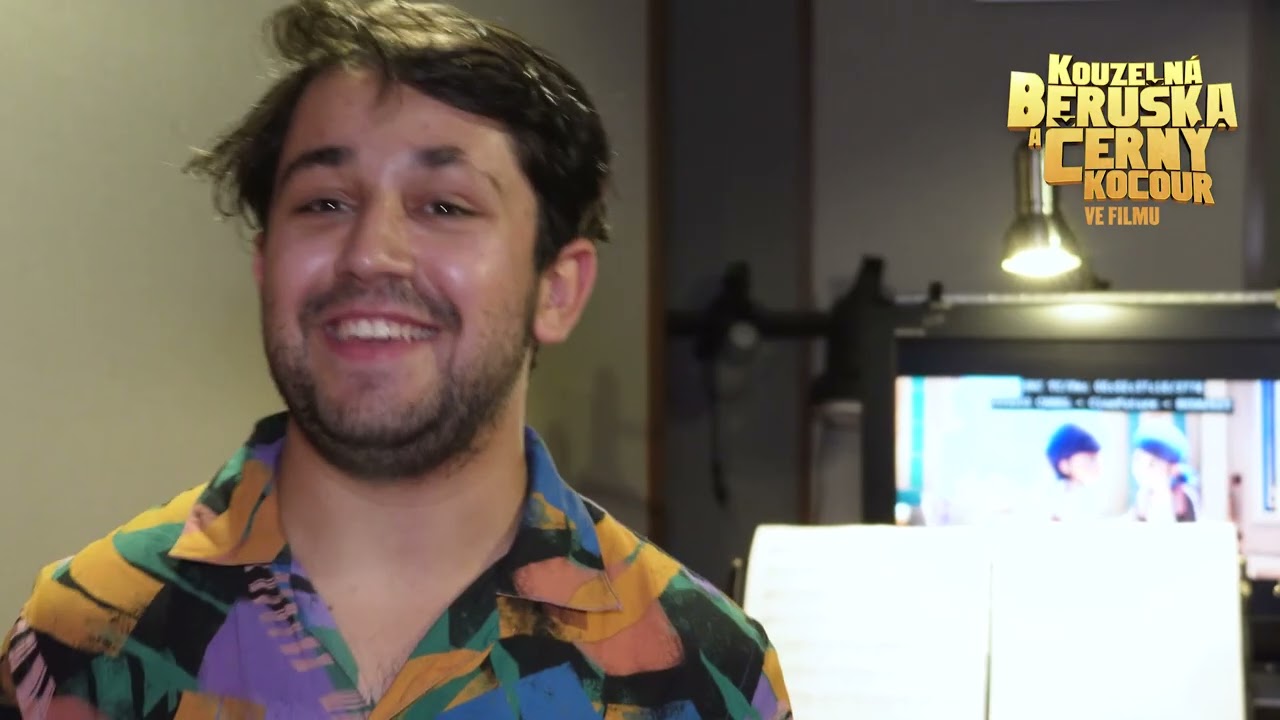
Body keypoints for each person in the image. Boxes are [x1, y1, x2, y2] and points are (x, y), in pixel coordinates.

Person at [0, 2, 792, 717]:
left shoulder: (703, 675)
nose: (370, 254)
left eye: (444, 206)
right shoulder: (84, 638)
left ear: (556, 289)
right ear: (265, 266)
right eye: (324, 203)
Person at [1130, 421, 1200, 523]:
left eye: (1152, 464)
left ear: (1172, 469)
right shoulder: (1142, 497)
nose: (1141, 469)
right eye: (1137, 460)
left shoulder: (1182, 498)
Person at [1043, 423, 1103, 521]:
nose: (1097, 465)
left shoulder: (1090, 494)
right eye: (1090, 459)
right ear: (1064, 465)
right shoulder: (1057, 499)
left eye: (1098, 458)